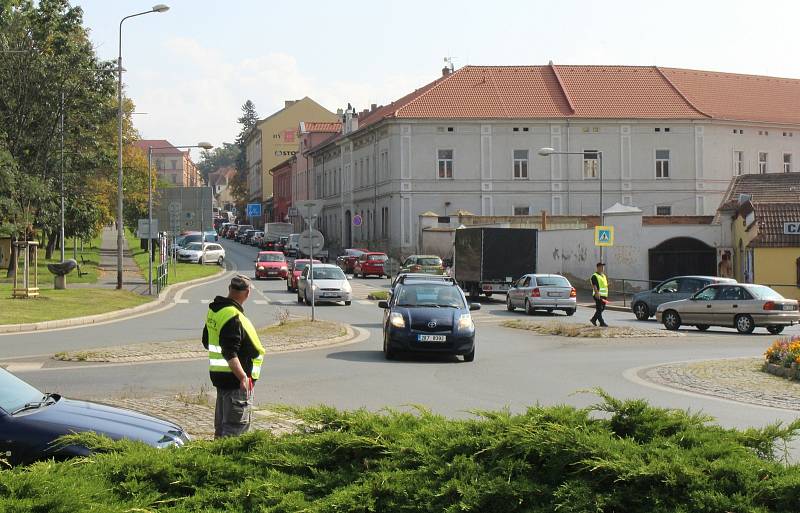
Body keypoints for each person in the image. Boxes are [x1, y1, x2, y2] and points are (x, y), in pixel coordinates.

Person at [202, 274, 265, 438]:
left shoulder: (215, 310)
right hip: (237, 383)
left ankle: (217, 460)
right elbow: (229, 351)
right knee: (234, 434)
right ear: (248, 293)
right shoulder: (234, 317)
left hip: (221, 380)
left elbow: (206, 341)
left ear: (229, 289)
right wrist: (243, 377)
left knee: (222, 430)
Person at [590, 262, 609, 327]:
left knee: (602, 309)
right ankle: (602, 322)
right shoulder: (594, 276)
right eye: (601, 267)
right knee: (599, 309)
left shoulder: (603, 275)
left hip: (604, 295)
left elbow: (603, 285)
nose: (603, 268)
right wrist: (597, 293)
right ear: (598, 267)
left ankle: (593, 319)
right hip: (598, 295)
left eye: (603, 267)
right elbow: (594, 285)